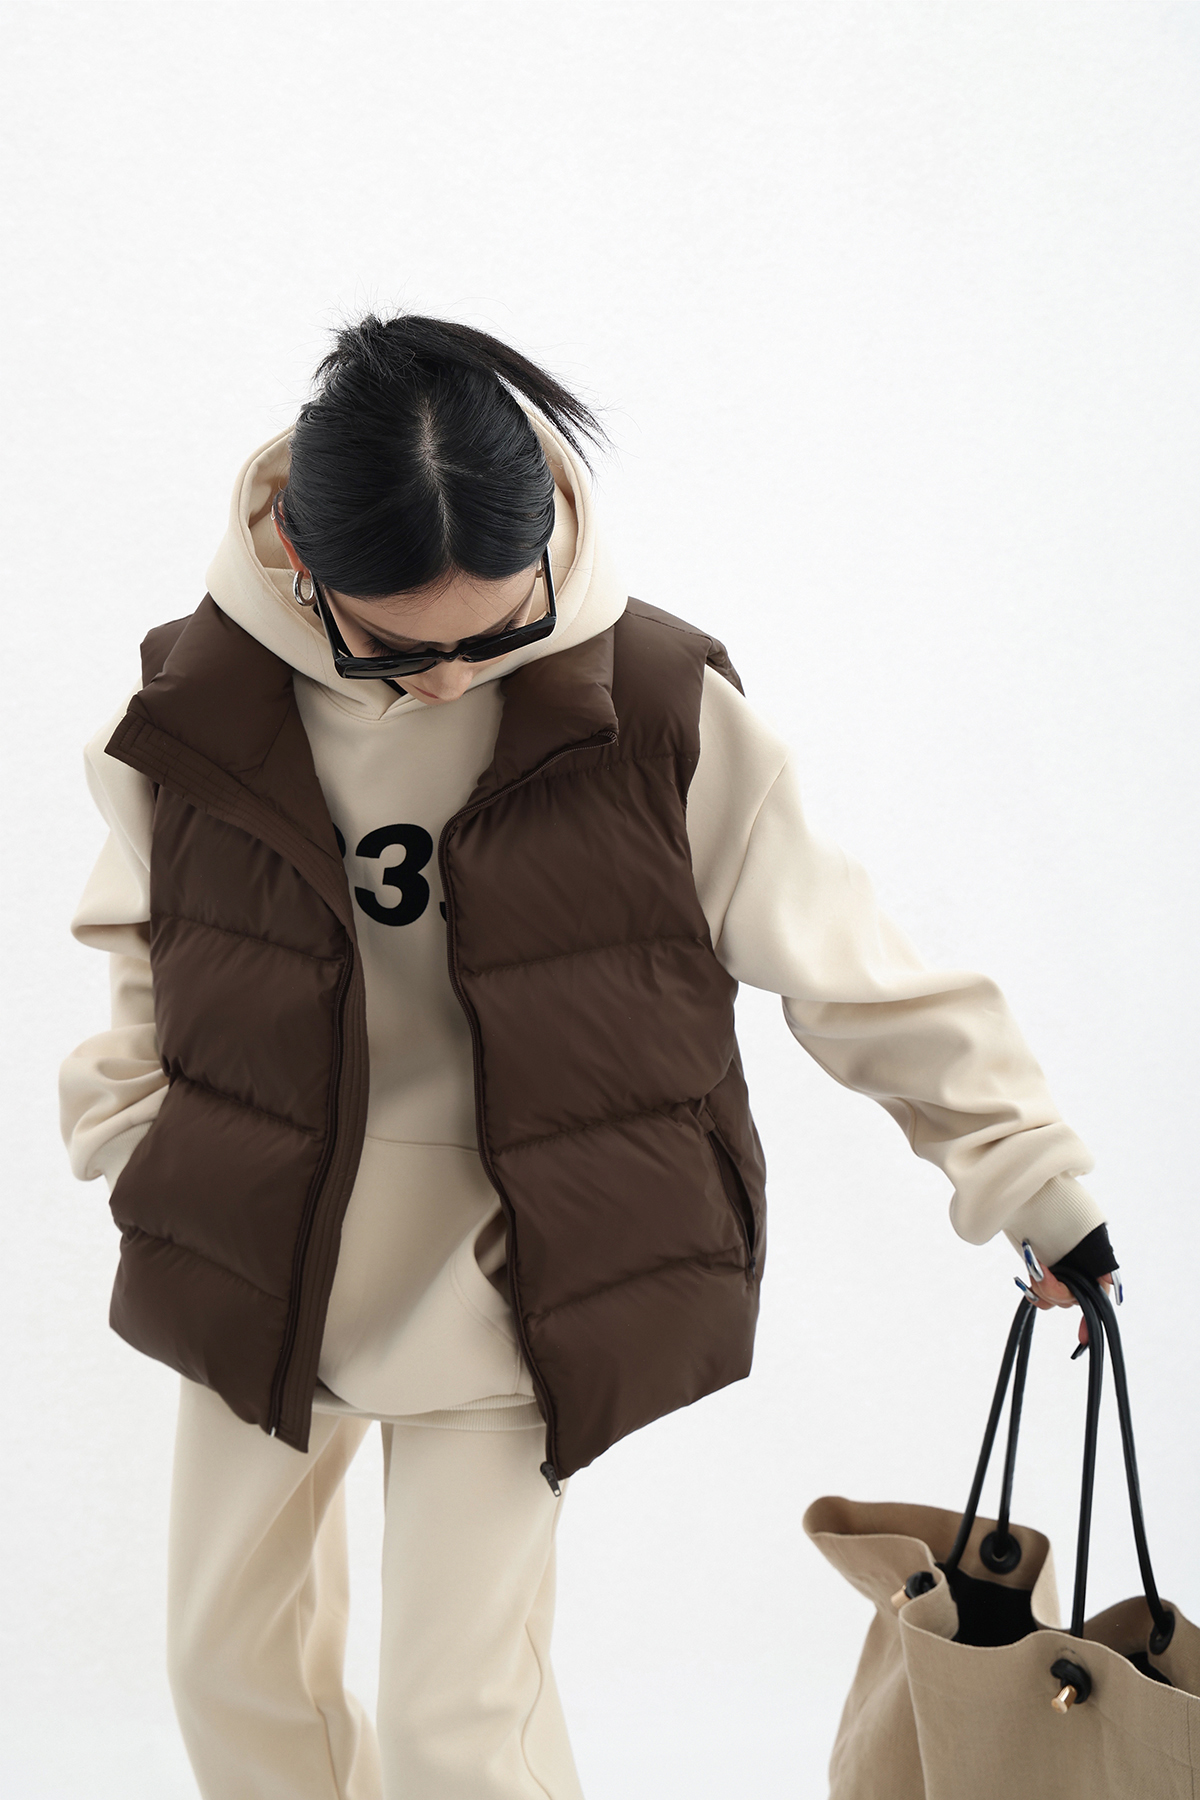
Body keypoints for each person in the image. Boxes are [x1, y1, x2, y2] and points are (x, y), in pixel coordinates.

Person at [59, 313, 1117, 1800]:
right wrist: (135, 1135)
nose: (451, 682)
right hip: (256, 1237)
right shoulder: (196, 701)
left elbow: (854, 967)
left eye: (497, 634)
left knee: (456, 1724)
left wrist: (1032, 1179)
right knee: (225, 1670)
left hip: (514, 1266)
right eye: (400, 649)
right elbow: (145, 939)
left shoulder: (660, 708)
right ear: (299, 555)